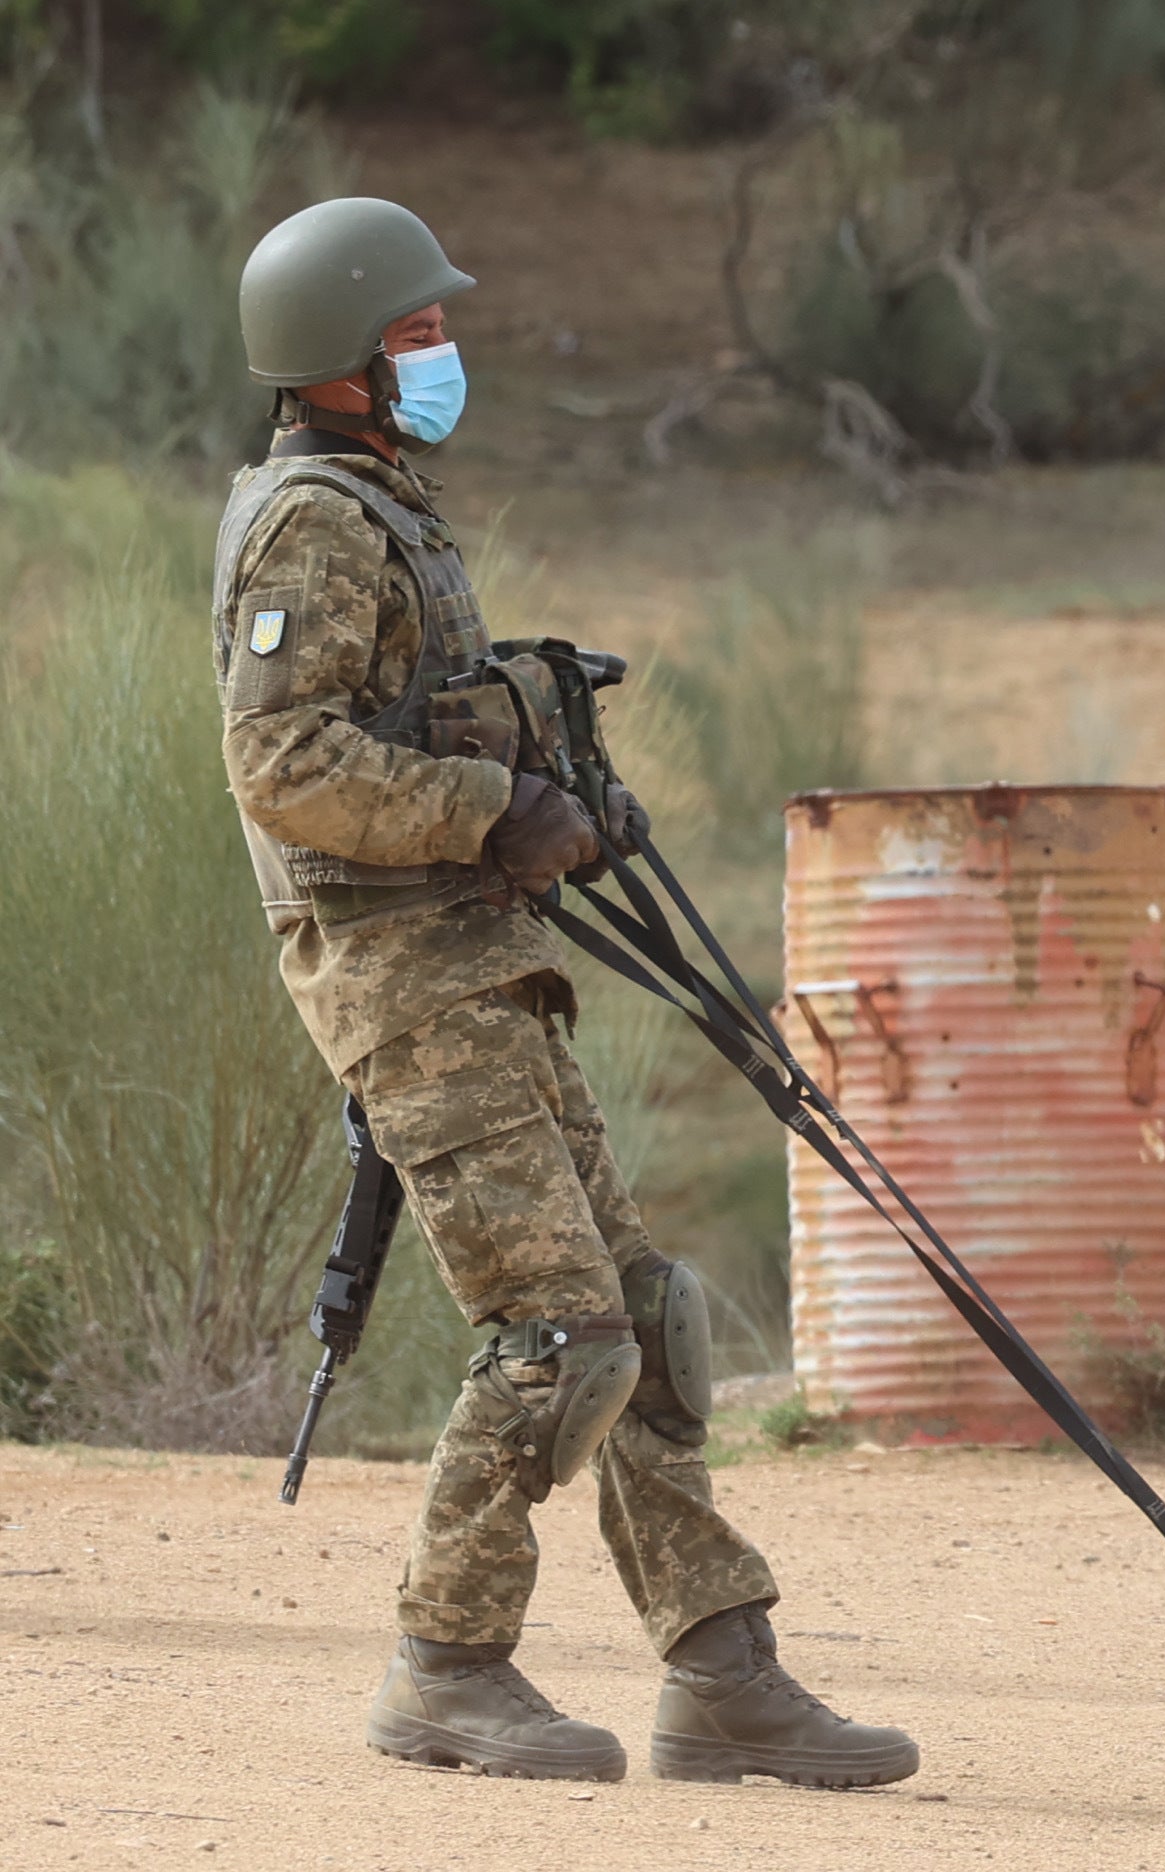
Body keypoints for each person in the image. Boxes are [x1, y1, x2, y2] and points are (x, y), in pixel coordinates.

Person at [215, 196, 912, 1789]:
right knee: (557, 1334)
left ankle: (721, 1670)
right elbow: (282, 759)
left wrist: (546, 763)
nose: (445, 354)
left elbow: (410, 716)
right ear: (340, 361)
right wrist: (491, 812)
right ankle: (445, 1666)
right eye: (416, 334)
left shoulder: (385, 502)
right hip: (408, 984)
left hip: (484, 965)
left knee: (643, 1317)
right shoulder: (310, 519)